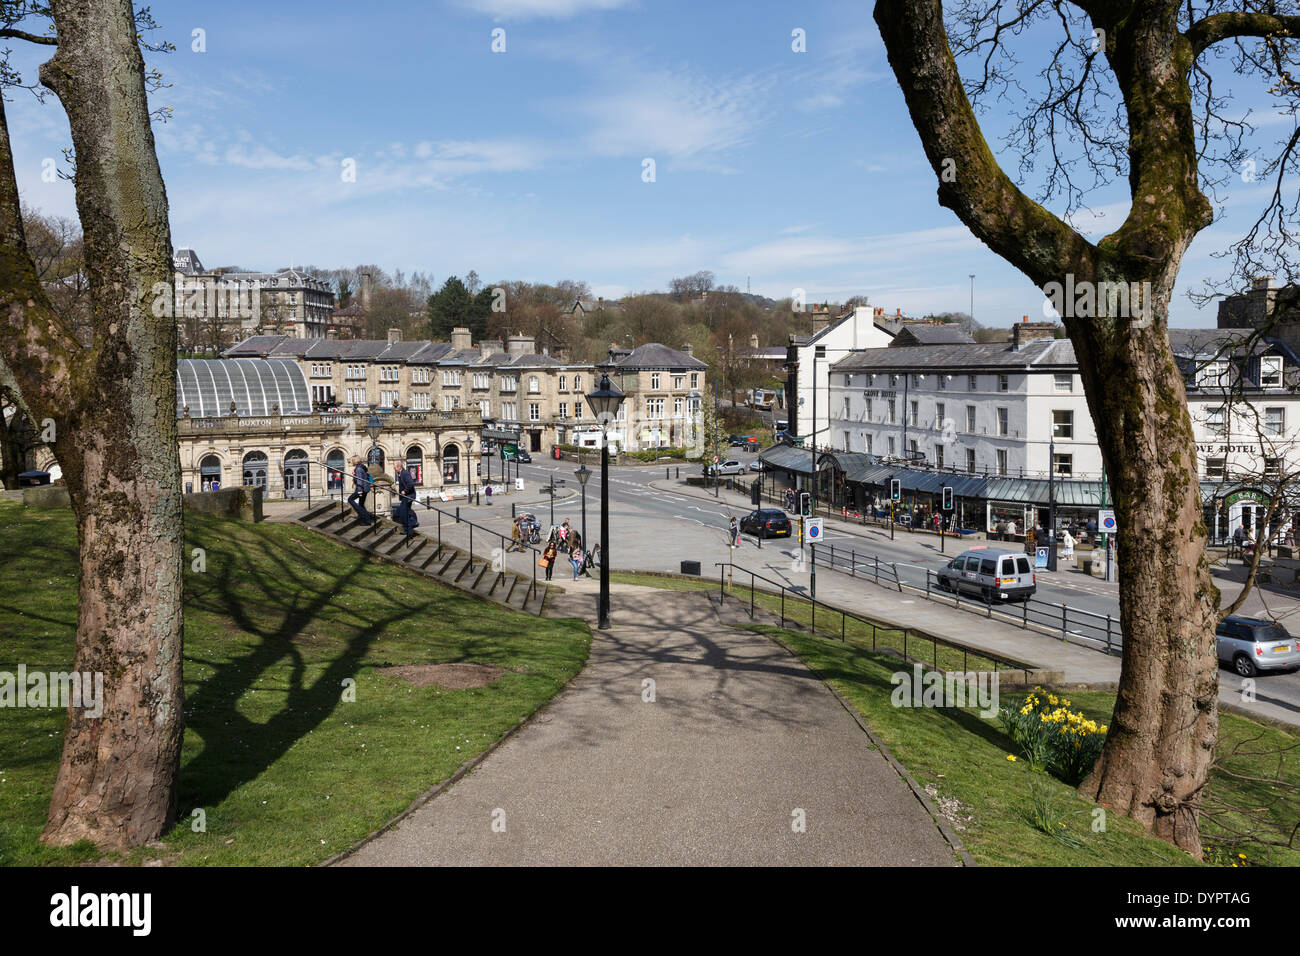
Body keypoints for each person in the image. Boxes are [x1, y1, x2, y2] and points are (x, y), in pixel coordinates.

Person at [348, 456, 372, 524]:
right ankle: (367, 520)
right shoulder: (361, 467)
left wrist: (360, 491)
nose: (351, 462)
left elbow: (359, 481)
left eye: (351, 461)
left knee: (350, 499)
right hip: (365, 488)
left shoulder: (358, 469)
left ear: (354, 461)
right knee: (361, 504)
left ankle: (362, 514)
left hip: (362, 489)